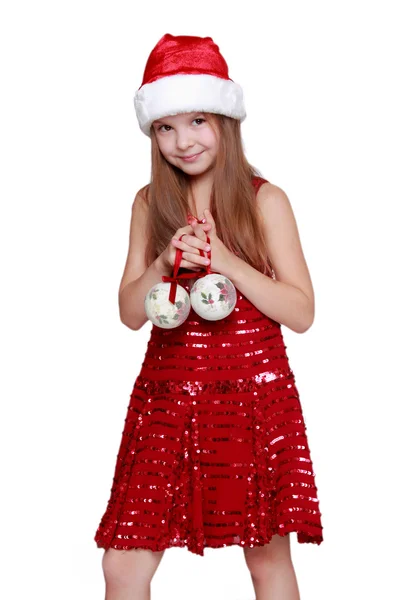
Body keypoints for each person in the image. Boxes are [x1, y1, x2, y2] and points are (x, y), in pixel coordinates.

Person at [95, 33, 323, 600]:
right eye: (165, 128)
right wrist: (161, 263)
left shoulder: (264, 200)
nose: (182, 141)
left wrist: (228, 262)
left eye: (197, 121)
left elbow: (301, 312)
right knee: (123, 566)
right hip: (167, 399)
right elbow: (129, 313)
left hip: (251, 397)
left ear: (225, 118)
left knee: (268, 560)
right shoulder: (151, 203)